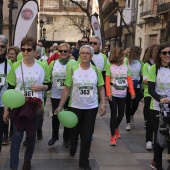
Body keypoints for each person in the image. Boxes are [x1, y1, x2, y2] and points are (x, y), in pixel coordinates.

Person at [55, 45, 106, 170]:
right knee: (74, 132)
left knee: (87, 134)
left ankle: (84, 161)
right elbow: (67, 88)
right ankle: (73, 145)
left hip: (91, 107)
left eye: (87, 53)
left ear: (91, 56)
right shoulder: (73, 69)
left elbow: (101, 87)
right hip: (75, 106)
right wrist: (60, 106)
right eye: (82, 52)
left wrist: (103, 104)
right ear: (79, 54)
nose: (84, 55)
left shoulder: (96, 70)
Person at [3, 37, 51, 170]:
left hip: (34, 106)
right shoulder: (16, 65)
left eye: (28, 49)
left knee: (31, 136)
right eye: (23, 49)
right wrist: (6, 109)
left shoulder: (42, 65)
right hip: (18, 106)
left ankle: (27, 161)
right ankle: (13, 166)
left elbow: (49, 84)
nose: (25, 52)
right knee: (17, 137)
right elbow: (10, 88)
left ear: (35, 51)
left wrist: (42, 87)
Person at [106, 47, 135, 146]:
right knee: (113, 114)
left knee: (121, 114)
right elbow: (107, 80)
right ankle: (112, 136)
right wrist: (108, 93)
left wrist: (132, 91)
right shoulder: (109, 65)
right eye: (120, 56)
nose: (122, 58)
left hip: (123, 93)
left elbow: (129, 79)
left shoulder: (125, 65)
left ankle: (115, 127)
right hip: (113, 94)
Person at [148, 42, 170, 170]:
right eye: (164, 53)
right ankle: (158, 164)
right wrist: (161, 98)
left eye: (169, 53)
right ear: (160, 55)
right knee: (159, 137)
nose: (167, 55)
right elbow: (151, 89)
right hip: (157, 108)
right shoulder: (154, 69)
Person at [48, 43, 72, 147]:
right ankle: (54, 136)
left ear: (69, 52)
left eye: (65, 51)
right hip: (56, 95)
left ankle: (66, 138)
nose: (62, 53)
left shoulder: (73, 63)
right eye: (60, 51)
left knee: (66, 117)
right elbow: (47, 77)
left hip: (69, 96)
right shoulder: (53, 63)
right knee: (55, 116)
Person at [142, 44, 159, 150]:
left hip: (163, 95)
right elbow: (144, 80)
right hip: (149, 94)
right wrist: (153, 80)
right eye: (155, 51)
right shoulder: (147, 66)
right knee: (150, 119)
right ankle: (149, 140)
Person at [125, 46, 143, 131]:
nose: (140, 55)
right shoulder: (126, 62)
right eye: (139, 53)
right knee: (128, 104)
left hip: (137, 86)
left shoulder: (140, 62)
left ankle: (131, 114)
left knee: (136, 104)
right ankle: (128, 122)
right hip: (127, 85)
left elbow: (142, 74)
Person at [0, 35, 12, 149]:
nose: (0, 48)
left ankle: (5, 135)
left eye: (2, 46)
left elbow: (11, 86)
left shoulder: (9, 64)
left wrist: (7, 108)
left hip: (3, 102)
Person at [7, 46, 20, 142]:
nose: (10, 55)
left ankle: (12, 132)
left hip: (15, 91)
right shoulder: (6, 63)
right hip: (6, 89)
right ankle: (5, 133)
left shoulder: (18, 65)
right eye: (9, 54)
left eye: (12, 54)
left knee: (12, 113)